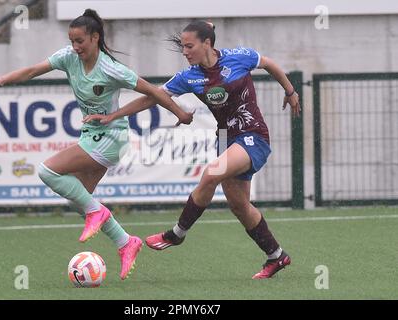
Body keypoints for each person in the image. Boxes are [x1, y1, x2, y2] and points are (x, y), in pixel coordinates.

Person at [0, 9, 193, 280]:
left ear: (95, 38)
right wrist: (2, 79)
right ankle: (126, 242)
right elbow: (34, 70)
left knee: (48, 171)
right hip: (90, 134)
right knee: (79, 197)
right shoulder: (68, 58)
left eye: (80, 41)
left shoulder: (110, 68)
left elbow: (153, 91)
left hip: (111, 136)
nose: (75, 47)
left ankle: (98, 212)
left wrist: (180, 113)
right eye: (72, 41)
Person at [87, 20, 300, 279]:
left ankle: (177, 234)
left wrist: (290, 91)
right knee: (239, 205)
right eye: (183, 47)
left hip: (253, 136)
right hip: (224, 138)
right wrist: (113, 116)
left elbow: (268, 64)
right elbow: (153, 96)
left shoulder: (238, 57)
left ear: (207, 43)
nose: (185, 52)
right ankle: (276, 255)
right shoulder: (189, 76)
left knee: (211, 173)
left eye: (189, 46)